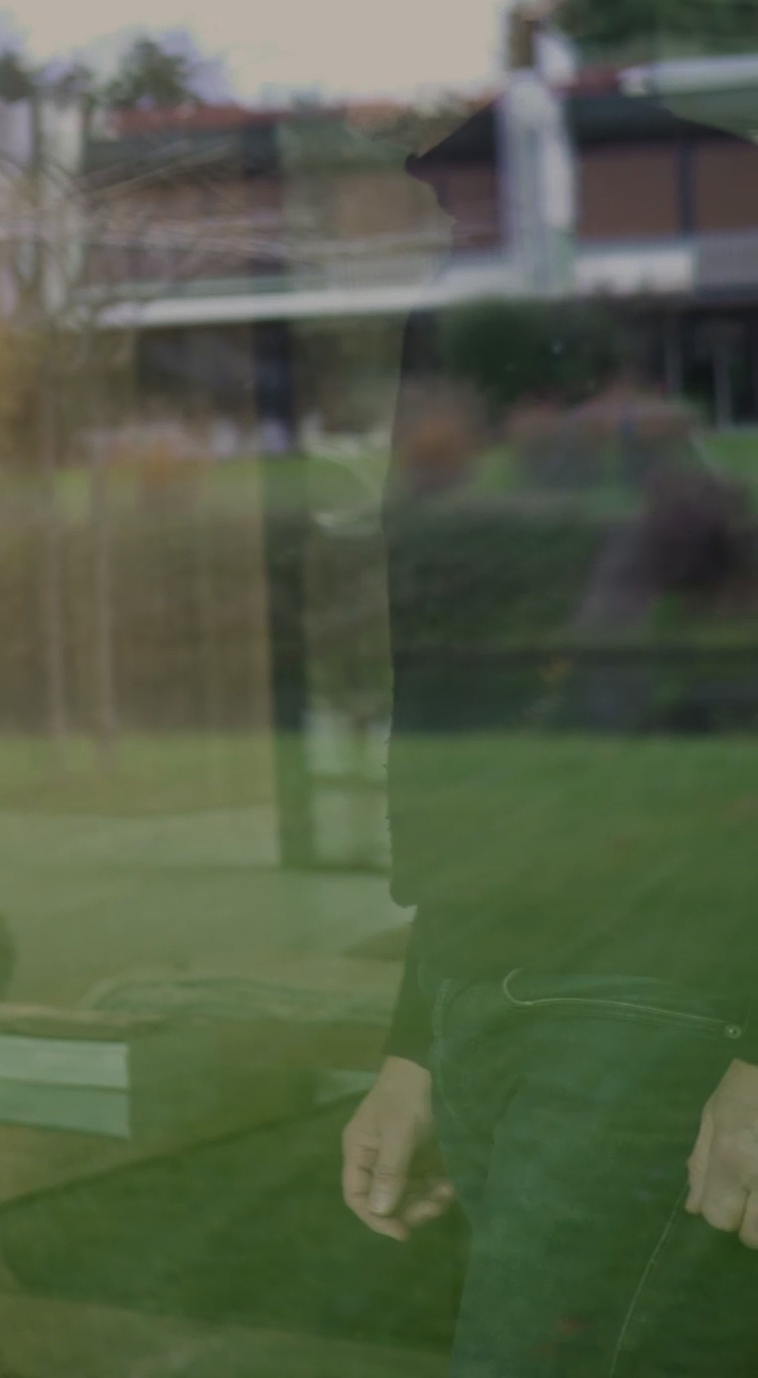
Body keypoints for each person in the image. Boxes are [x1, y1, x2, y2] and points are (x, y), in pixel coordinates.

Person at [340, 126, 758, 1372]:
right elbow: (478, 729)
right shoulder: (475, 347)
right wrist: (418, 1042)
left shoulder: (697, 292)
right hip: (502, 996)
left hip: (653, 1003)